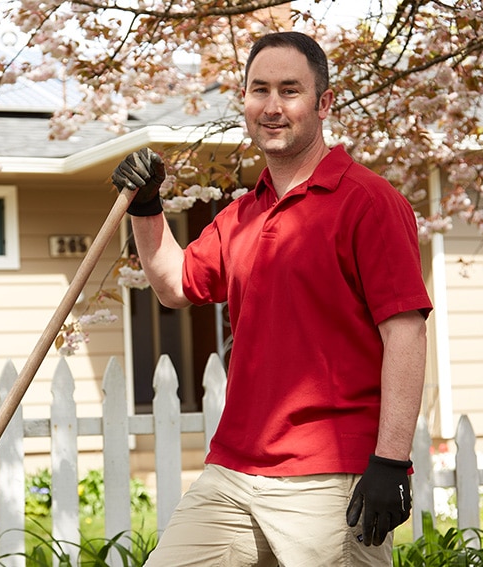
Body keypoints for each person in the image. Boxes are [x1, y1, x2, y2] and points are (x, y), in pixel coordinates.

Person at [111, 31, 433, 566]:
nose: (273, 106)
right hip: (233, 472)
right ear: (244, 101)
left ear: (323, 103)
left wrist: (390, 461)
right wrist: (147, 208)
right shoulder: (241, 215)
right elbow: (173, 286)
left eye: (290, 90)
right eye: (259, 90)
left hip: (330, 478)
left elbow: (405, 331)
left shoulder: (369, 203)